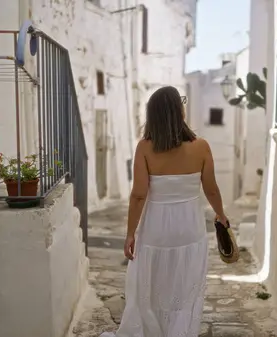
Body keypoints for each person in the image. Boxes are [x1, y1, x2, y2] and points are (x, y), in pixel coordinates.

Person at [100, 86, 228, 337]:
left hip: (156, 228)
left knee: (152, 287)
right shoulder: (201, 147)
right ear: (178, 111)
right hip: (190, 229)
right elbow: (211, 189)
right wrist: (221, 215)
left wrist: (129, 233)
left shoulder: (145, 148)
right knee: (184, 288)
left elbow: (139, 195)